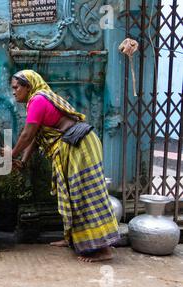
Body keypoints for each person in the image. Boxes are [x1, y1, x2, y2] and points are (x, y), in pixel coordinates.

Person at [7, 70, 120, 262]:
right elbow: (36, 137)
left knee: (86, 195)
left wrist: (11, 154)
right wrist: (23, 161)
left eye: (16, 87)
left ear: (28, 86)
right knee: (70, 195)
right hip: (74, 144)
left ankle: (104, 249)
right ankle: (73, 239)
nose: (14, 91)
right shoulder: (36, 101)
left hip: (80, 145)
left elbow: (27, 135)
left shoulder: (37, 101)